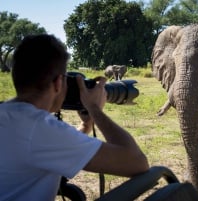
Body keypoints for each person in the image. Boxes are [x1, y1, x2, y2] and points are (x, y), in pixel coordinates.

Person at [0, 34, 149, 200]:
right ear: (58, 83)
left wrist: (86, 125)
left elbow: (49, 146)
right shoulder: (39, 129)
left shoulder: (9, 115)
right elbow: (136, 162)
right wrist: (94, 108)